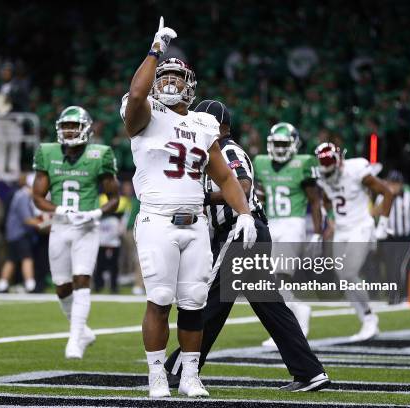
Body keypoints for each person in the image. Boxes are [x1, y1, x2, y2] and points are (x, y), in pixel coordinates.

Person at [121, 17, 257, 398]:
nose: (167, 83)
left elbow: (226, 177)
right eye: (162, 77)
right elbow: (135, 96)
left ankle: (191, 376)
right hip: (158, 220)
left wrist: (244, 212)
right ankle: (156, 376)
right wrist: (154, 51)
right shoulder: (145, 114)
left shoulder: (202, 123)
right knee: (160, 301)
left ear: (190, 88)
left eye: (175, 79)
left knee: (194, 304)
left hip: (196, 223)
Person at [164, 100, 330, 393]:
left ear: (216, 124)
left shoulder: (227, 149)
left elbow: (242, 187)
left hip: (240, 232)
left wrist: (200, 197)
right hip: (245, 233)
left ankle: (178, 367)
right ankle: (310, 371)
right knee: (271, 309)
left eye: (197, 119)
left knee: (208, 302)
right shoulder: (213, 150)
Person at [33, 106, 119, 359]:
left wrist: (95, 214)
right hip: (60, 225)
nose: (70, 131)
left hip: (87, 228)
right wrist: (61, 210)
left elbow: (114, 197)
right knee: (62, 287)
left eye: (74, 126)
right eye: (66, 126)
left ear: (86, 129)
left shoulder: (99, 154)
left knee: (82, 280)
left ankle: (74, 339)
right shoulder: (47, 152)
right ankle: (83, 331)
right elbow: (38, 196)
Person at [315, 142, 393, 341]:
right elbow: (325, 200)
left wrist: (382, 223)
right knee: (343, 277)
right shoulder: (323, 175)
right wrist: (329, 218)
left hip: (360, 227)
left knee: (349, 273)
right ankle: (366, 319)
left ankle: (369, 318)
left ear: (339, 162)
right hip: (341, 230)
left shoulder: (356, 169)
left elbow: (387, 192)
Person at [253, 122, 322, 346]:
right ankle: (297, 310)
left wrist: (318, 233)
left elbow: (314, 200)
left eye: (284, 143)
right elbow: (261, 196)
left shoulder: (303, 162)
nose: (280, 148)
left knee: (279, 276)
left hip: (293, 222)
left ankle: (287, 326)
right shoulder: (261, 162)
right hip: (271, 222)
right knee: (268, 278)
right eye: (277, 144)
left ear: (294, 144)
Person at [373, 170, 410, 304]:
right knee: (389, 265)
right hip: (388, 237)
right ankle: (393, 294)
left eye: (396, 184)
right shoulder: (382, 197)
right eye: (391, 183)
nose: (394, 186)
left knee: (399, 265)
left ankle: (397, 294)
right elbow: (374, 213)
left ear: (401, 184)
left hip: (405, 237)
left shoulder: (409, 197)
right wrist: (387, 196)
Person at [0, 173, 41, 293]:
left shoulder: (21, 195)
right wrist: (43, 224)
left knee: (11, 259)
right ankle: (30, 285)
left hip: (14, 233)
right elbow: (27, 219)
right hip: (19, 234)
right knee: (27, 258)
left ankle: (2, 285)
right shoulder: (23, 197)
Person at [0, 62, 29, 174]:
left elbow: (24, 101)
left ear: (12, 73)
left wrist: (12, 100)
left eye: (7, 71)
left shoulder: (20, 85)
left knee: (14, 143)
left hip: (14, 118)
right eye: (3, 71)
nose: (5, 73)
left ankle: (13, 167)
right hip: (1, 117)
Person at [94, 193, 125, 293]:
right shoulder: (110, 220)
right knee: (104, 266)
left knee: (110, 267)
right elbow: (120, 232)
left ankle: (109, 286)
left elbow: (120, 232)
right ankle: (104, 286)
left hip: (111, 244)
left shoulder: (114, 219)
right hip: (106, 244)